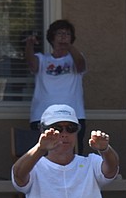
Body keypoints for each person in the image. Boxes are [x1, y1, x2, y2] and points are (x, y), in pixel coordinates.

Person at [26, 20, 88, 155]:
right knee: (41, 155)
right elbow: (32, 64)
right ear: (52, 38)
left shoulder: (75, 58)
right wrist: (29, 45)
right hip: (42, 115)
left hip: (73, 116)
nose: (63, 36)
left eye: (67, 34)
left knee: (73, 155)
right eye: (59, 33)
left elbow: (81, 65)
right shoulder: (42, 59)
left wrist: (68, 46)